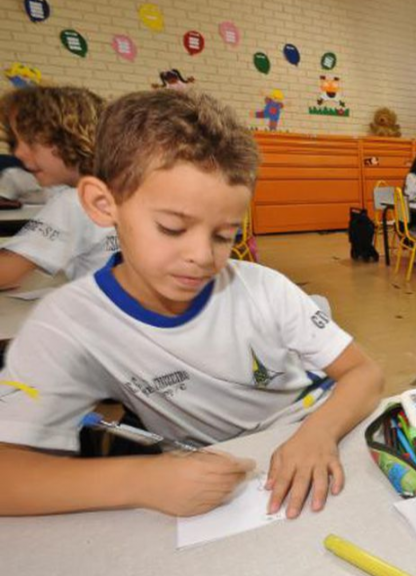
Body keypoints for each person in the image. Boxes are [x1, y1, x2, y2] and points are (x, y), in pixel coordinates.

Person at [0, 90, 384, 519]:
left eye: (224, 236)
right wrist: (143, 479)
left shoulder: (263, 288)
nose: (202, 256)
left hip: (322, 428)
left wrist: (318, 433)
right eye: (171, 227)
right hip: (230, 473)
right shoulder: (68, 323)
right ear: (102, 204)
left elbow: (363, 372)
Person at [0, 86, 118, 289]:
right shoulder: (119, 188)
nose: (18, 153)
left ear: (70, 137)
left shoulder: (75, 201)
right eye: (15, 143)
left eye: (29, 141)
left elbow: (5, 274)